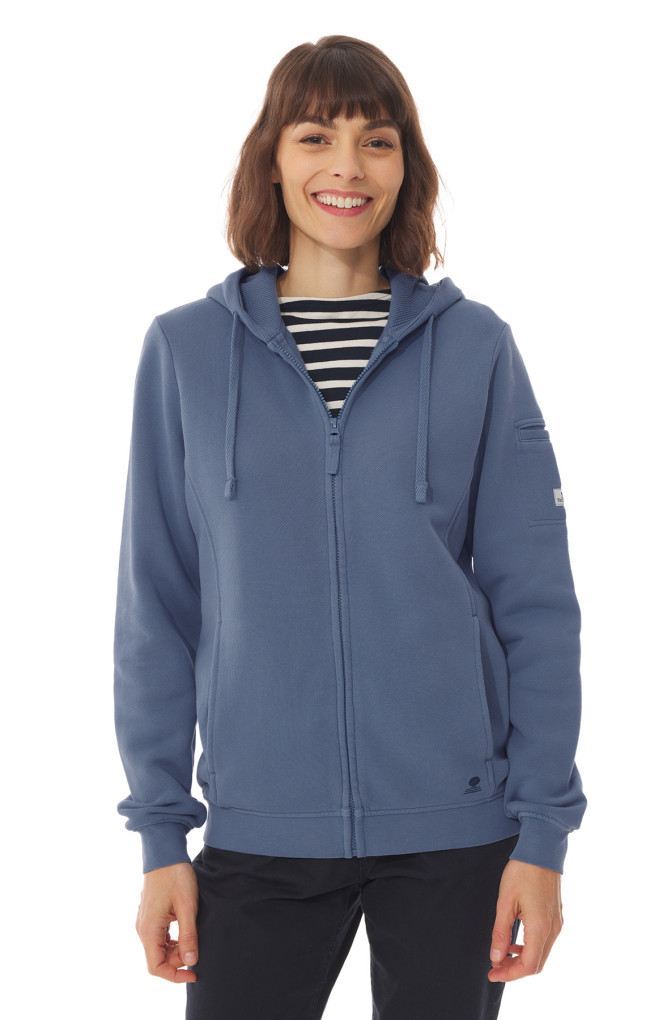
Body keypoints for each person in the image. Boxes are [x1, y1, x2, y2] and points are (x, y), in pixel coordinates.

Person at [113, 34, 587, 1020]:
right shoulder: (186, 352)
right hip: (261, 828)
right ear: (271, 160)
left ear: (405, 166)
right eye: (314, 136)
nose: (346, 166)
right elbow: (156, 608)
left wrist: (542, 837)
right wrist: (161, 839)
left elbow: (536, 604)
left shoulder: (475, 348)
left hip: (457, 833)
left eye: (376, 140)